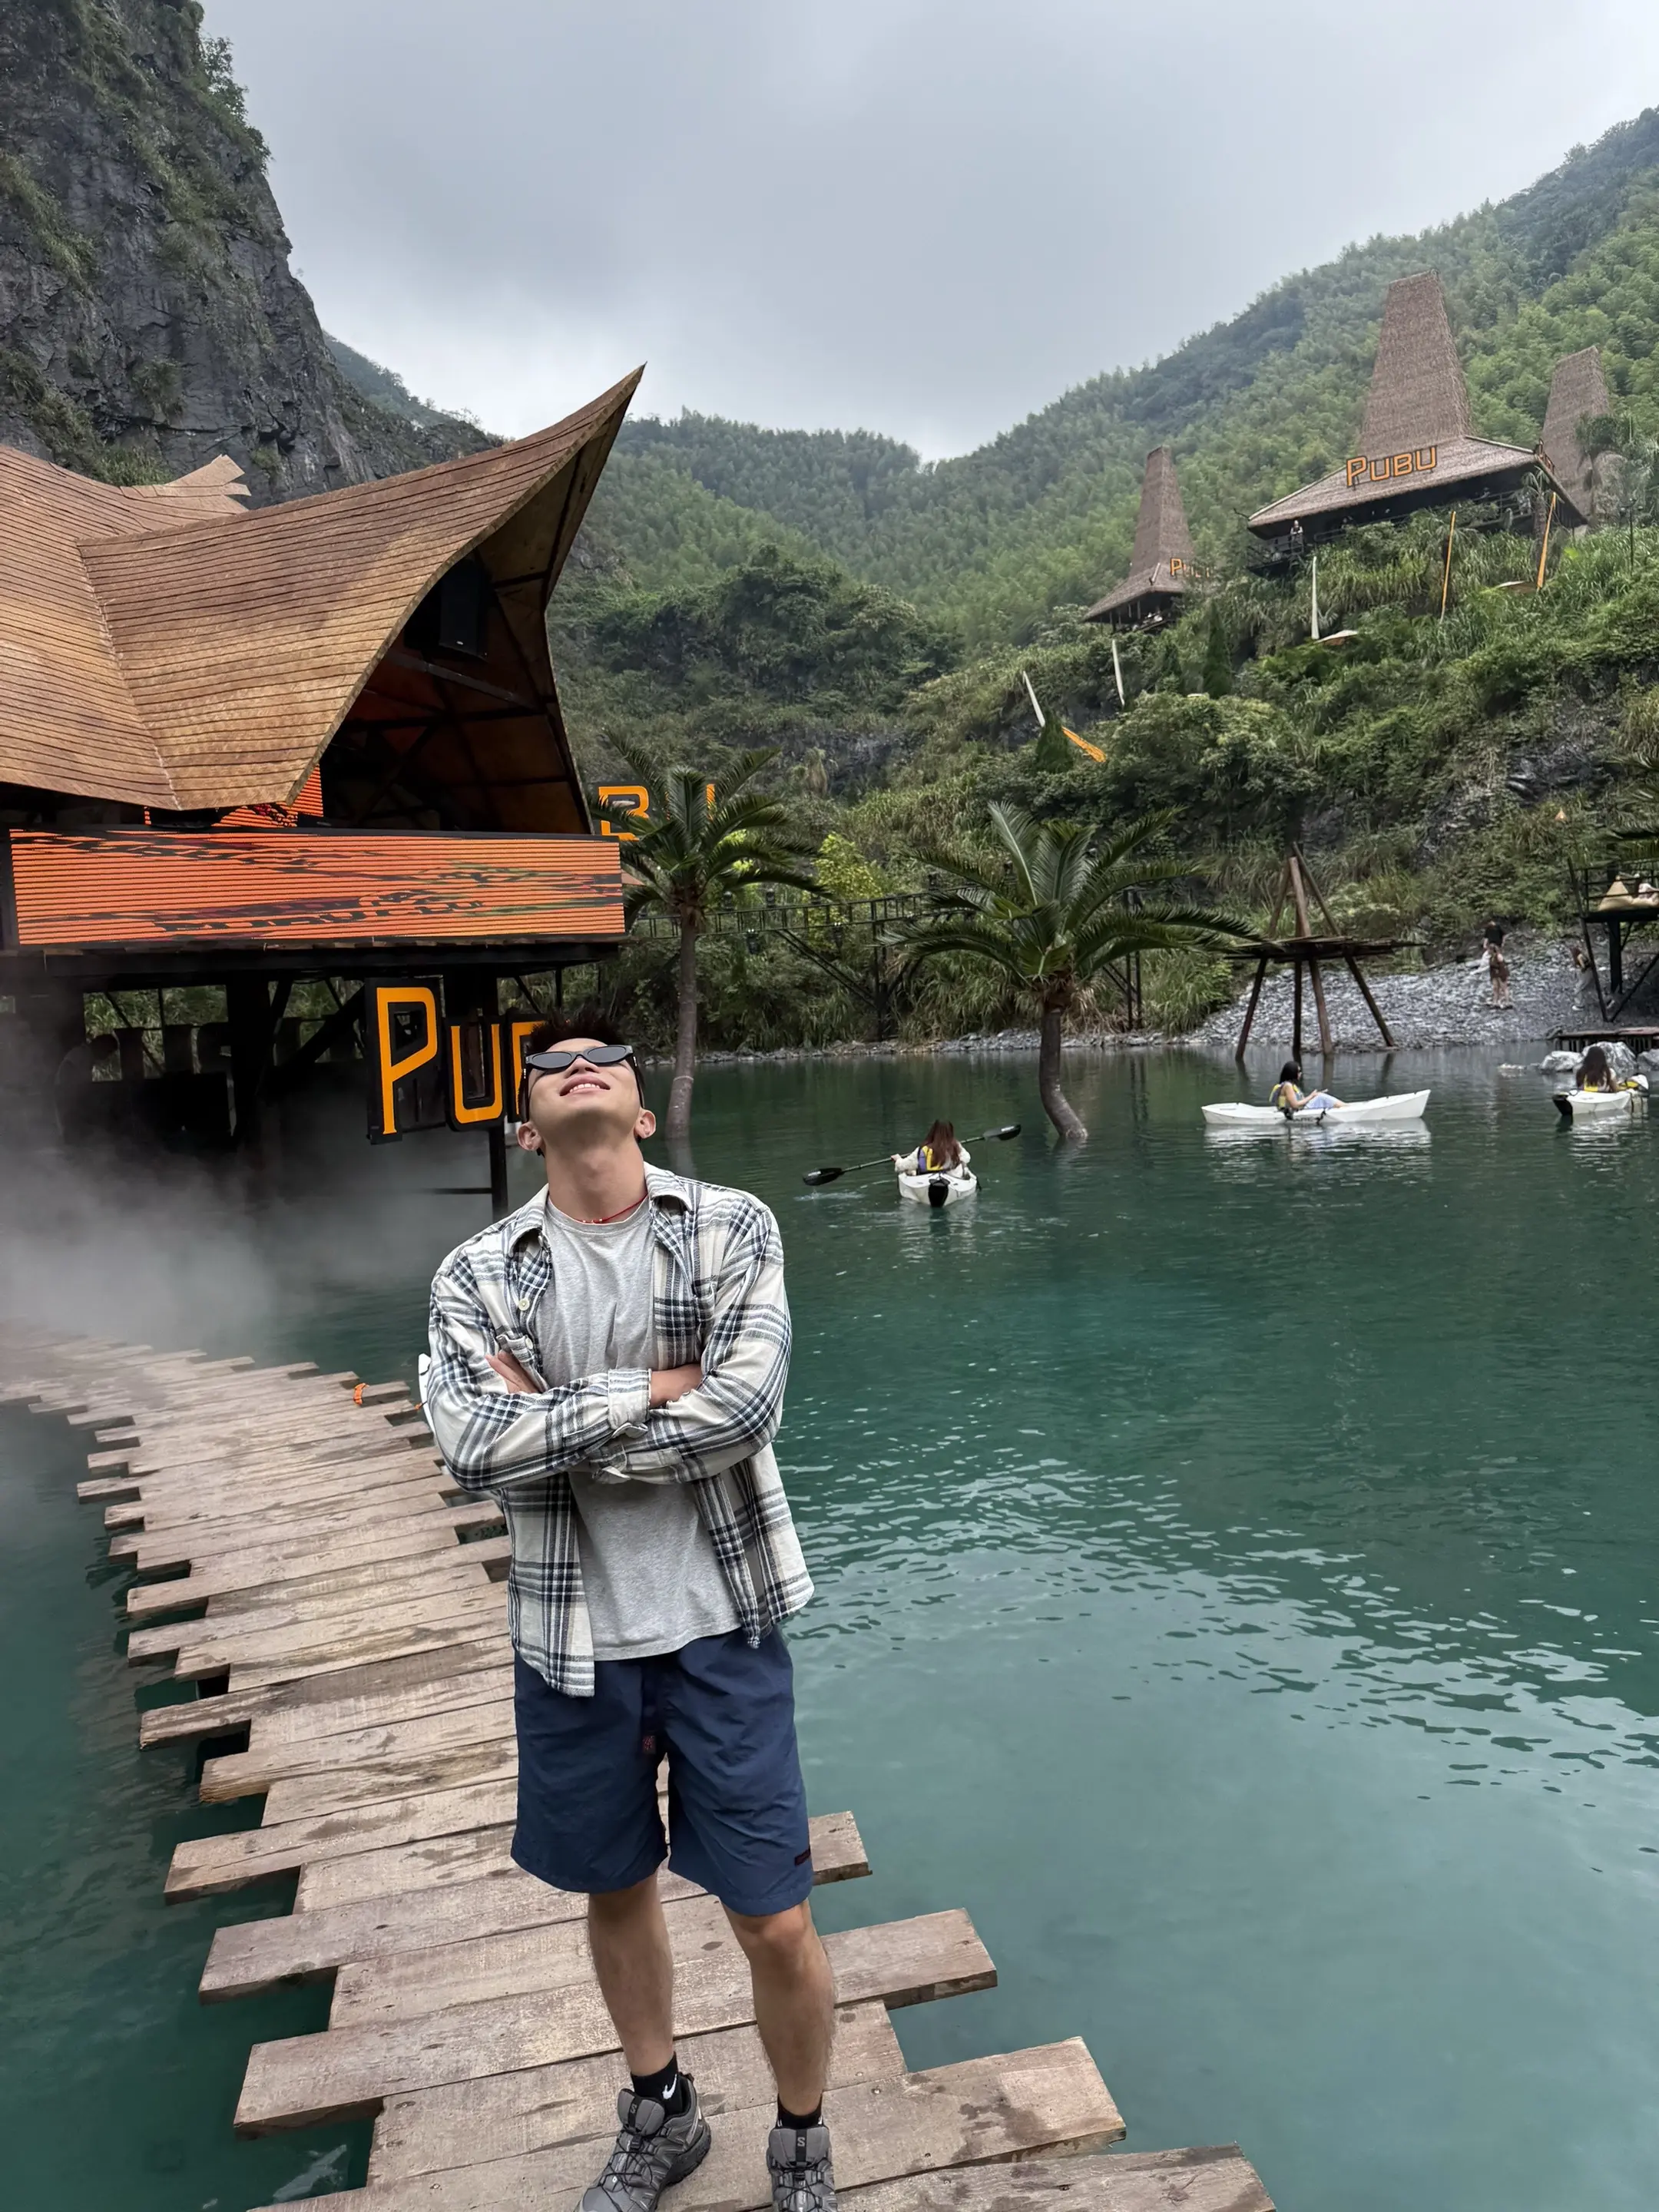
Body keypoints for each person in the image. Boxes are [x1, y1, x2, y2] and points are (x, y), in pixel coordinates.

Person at [425, 1011, 836, 2212]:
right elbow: (469, 1445)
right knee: (615, 1888)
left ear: (642, 1108)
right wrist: (655, 1387)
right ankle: (662, 2113)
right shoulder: (476, 1274)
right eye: (548, 1066)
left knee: (774, 1919)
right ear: (526, 1126)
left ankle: (801, 2137)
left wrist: (554, 1419)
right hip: (571, 1640)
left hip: (721, 1622)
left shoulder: (731, 1227)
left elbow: (745, 1412)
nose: (574, 1067)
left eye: (601, 1057)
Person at [892, 1118, 972, 1177]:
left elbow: (902, 1166)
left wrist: (898, 1159)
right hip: (954, 1180)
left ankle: (913, 1173)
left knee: (911, 1169)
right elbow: (966, 1158)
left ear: (933, 1131)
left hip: (927, 1181)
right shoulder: (956, 1146)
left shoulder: (923, 1149)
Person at [1268, 1059, 1343, 1114]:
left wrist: (1313, 1096)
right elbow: (1295, 1105)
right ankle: (1345, 1107)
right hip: (1296, 1112)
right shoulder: (1288, 1086)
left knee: (1319, 1096)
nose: (1300, 1073)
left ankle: (1343, 1106)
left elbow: (1302, 1101)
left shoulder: (1291, 1085)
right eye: (1299, 1072)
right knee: (1321, 1097)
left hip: (1300, 1109)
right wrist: (1311, 1096)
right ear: (1292, 1073)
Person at [1482, 919, 1513, 1011]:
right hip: (1494, 973)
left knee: (1504, 987)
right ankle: (1495, 1002)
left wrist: (1503, 975)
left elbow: (1503, 966)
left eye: (1489, 950)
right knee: (1495, 988)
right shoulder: (1491, 957)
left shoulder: (1498, 956)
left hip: (1500, 972)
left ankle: (1507, 1002)